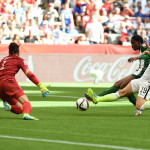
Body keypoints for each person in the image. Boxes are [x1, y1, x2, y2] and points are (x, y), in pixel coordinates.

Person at [85, 35, 150, 115]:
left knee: (122, 86)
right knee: (119, 85)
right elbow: (146, 53)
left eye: (133, 43)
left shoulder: (144, 49)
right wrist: (138, 56)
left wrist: (137, 57)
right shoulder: (142, 50)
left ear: (139, 42)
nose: (131, 45)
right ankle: (97, 98)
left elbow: (147, 54)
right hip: (140, 74)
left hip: (142, 74)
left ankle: (97, 97)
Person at [0, 42, 50, 120]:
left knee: (20, 108)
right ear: (18, 51)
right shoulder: (19, 60)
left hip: (0, 87)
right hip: (9, 82)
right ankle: (26, 114)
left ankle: (9, 107)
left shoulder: (3, 60)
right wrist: (40, 85)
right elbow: (29, 74)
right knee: (26, 103)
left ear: (9, 51)